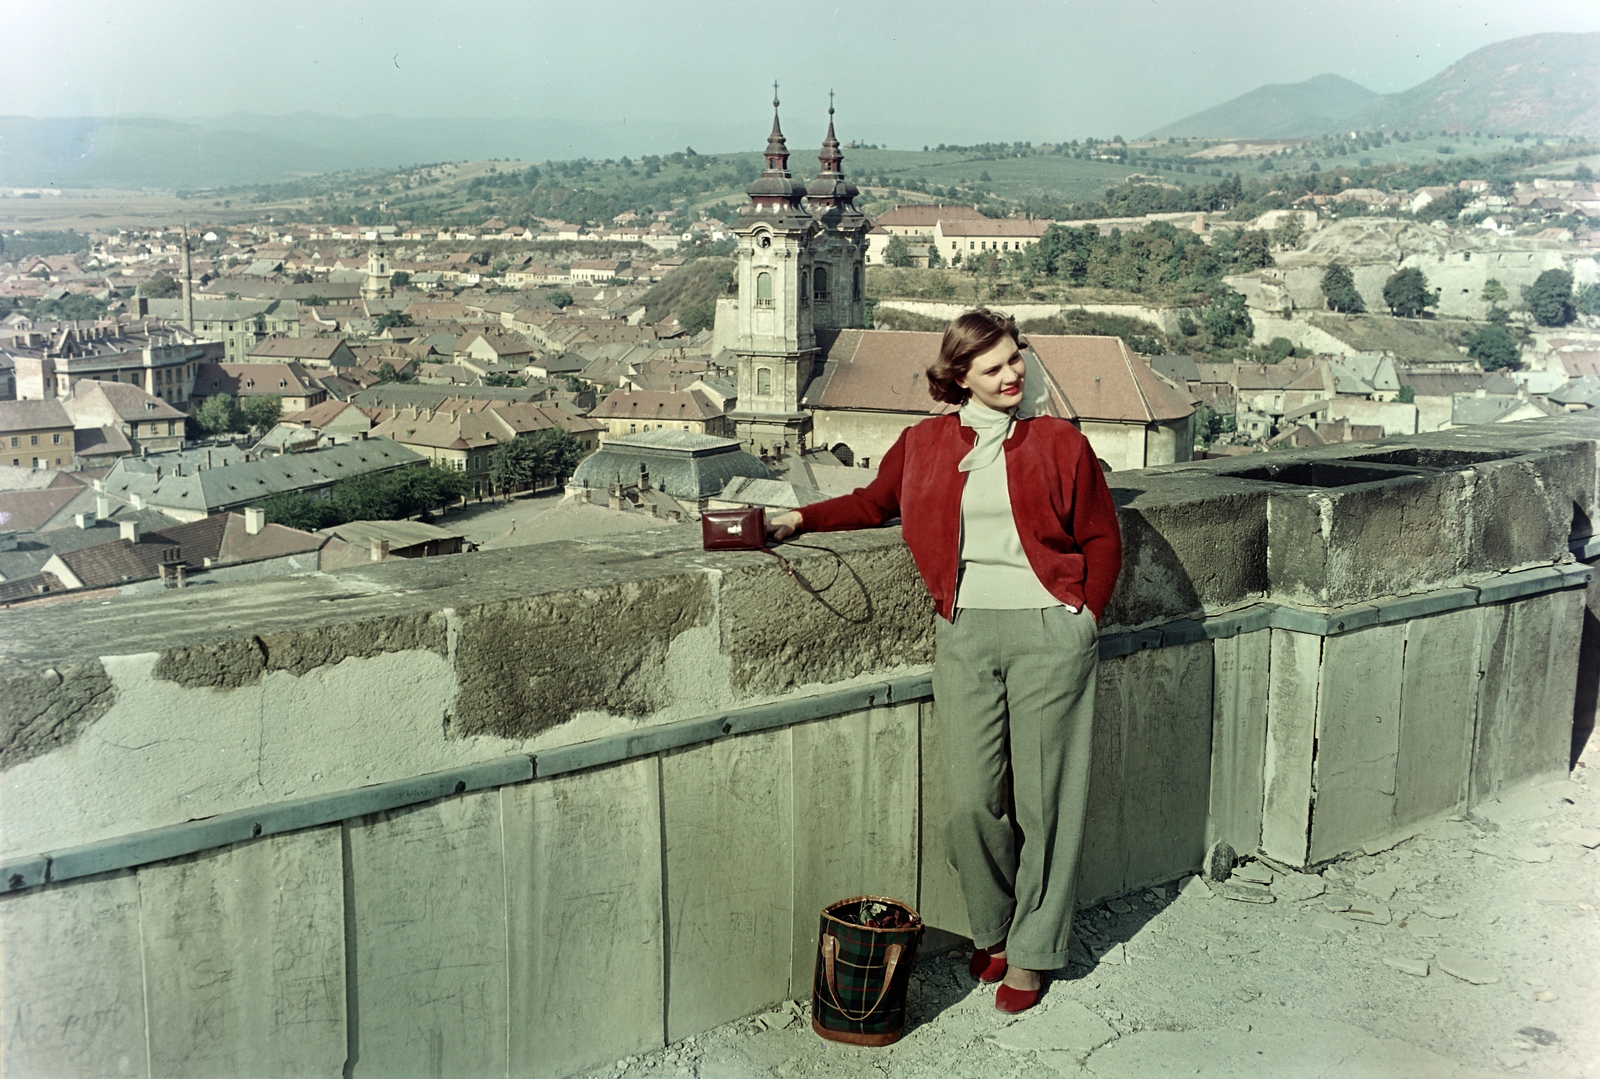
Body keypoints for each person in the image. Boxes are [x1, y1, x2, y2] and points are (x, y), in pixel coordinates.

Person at [767, 309, 1122, 1013]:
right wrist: (800, 518)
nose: (1013, 374)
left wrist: (1084, 616)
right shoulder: (924, 443)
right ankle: (994, 927)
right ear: (958, 377)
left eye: (1016, 359)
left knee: (1046, 803)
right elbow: (874, 504)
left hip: (1050, 631)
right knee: (969, 802)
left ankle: (1031, 952)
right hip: (963, 633)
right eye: (994, 367)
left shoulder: (1059, 442)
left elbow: (1102, 536)